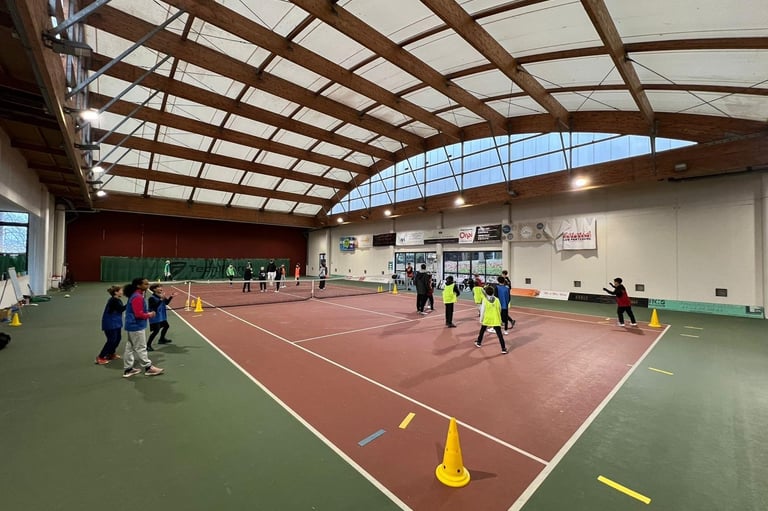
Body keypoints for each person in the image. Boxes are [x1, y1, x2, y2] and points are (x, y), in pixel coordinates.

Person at [122, 277, 164, 377]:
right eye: (145, 284)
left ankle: (128, 369)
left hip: (132, 325)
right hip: (136, 326)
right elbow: (138, 314)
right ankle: (148, 368)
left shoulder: (137, 295)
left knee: (130, 348)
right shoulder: (137, 297)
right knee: (141, 347)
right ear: (138, 285)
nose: (148, 285)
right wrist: (150, 314)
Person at [95, 285, 125, 365]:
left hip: (116, 323)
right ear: (116, 292)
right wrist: (130, 302)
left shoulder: (117, 300)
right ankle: (100, 357)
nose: (122, 292)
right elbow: (121, 309)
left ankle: (110, 354)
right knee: (111, 340)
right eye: (121, 290)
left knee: (118, 338)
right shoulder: (113, 300)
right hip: (110, 323)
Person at [474, 284, 508, 354]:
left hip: (487, 318)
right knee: (499, 335)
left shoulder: (485, 300)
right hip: (495, 318)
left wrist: (481, 319)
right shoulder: (497, 299)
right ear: (493, 292)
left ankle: (479, 342)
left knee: (482, 331)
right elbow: (499, 309)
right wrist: (499, 317)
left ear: (486, 293)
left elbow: (482, 311)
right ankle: (503, 348)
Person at [147, 283, 176, 351]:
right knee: (156, 331)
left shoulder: (161, 296)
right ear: (154, 289)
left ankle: (161, 339)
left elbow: (166, 303)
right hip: (155, 317)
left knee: (166, 326)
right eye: (159, 287)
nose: (161, 288)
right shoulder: (151, 298)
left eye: (161, 287)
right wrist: (161, 300)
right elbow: (154, 307)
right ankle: (148, 345)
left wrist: (171, 297)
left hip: (161, 316)